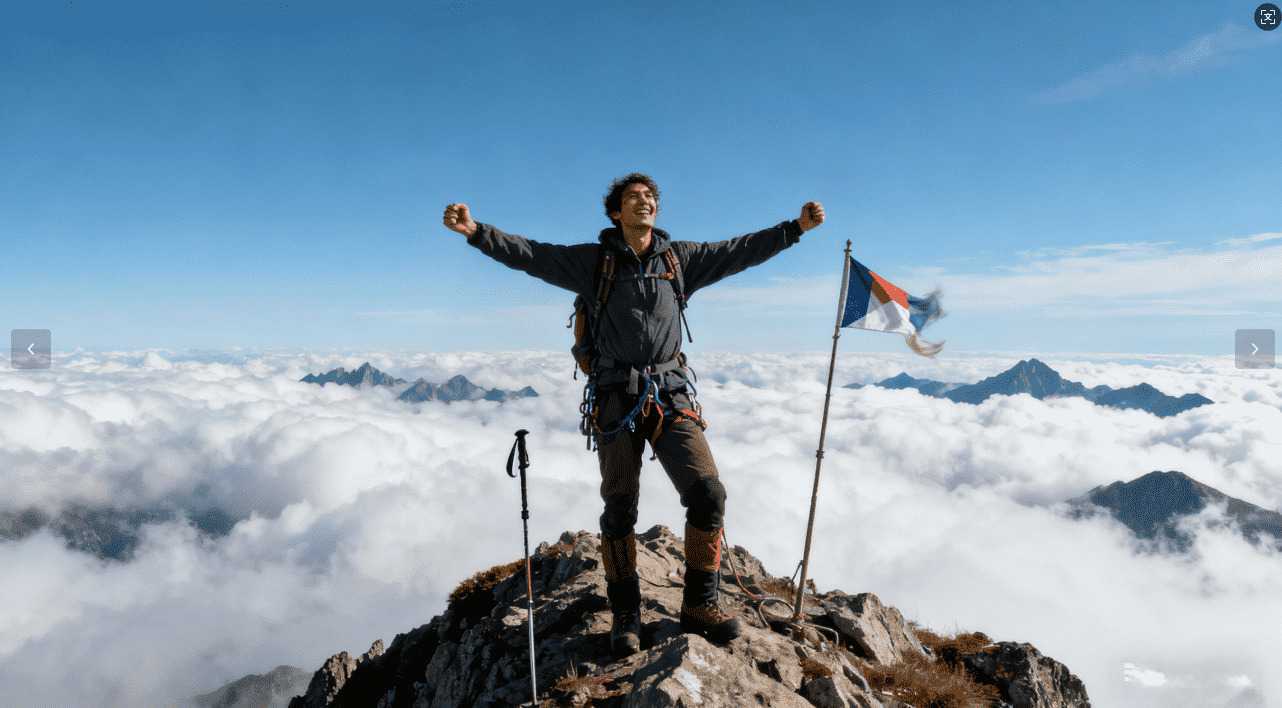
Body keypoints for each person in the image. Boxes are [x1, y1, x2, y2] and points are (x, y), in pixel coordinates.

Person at [443, 173, 824, 655]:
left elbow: (738, 251)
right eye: (632, 197)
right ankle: (626, 612)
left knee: (708, 493)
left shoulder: (679, 259)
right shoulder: (593, 262)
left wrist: (794, 229)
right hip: (615, 400)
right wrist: (477, 232)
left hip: (670, 396)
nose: (644, 202)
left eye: (649, 197)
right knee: (620, 507)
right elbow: (532, 255)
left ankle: (700, 604)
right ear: (615, 212)